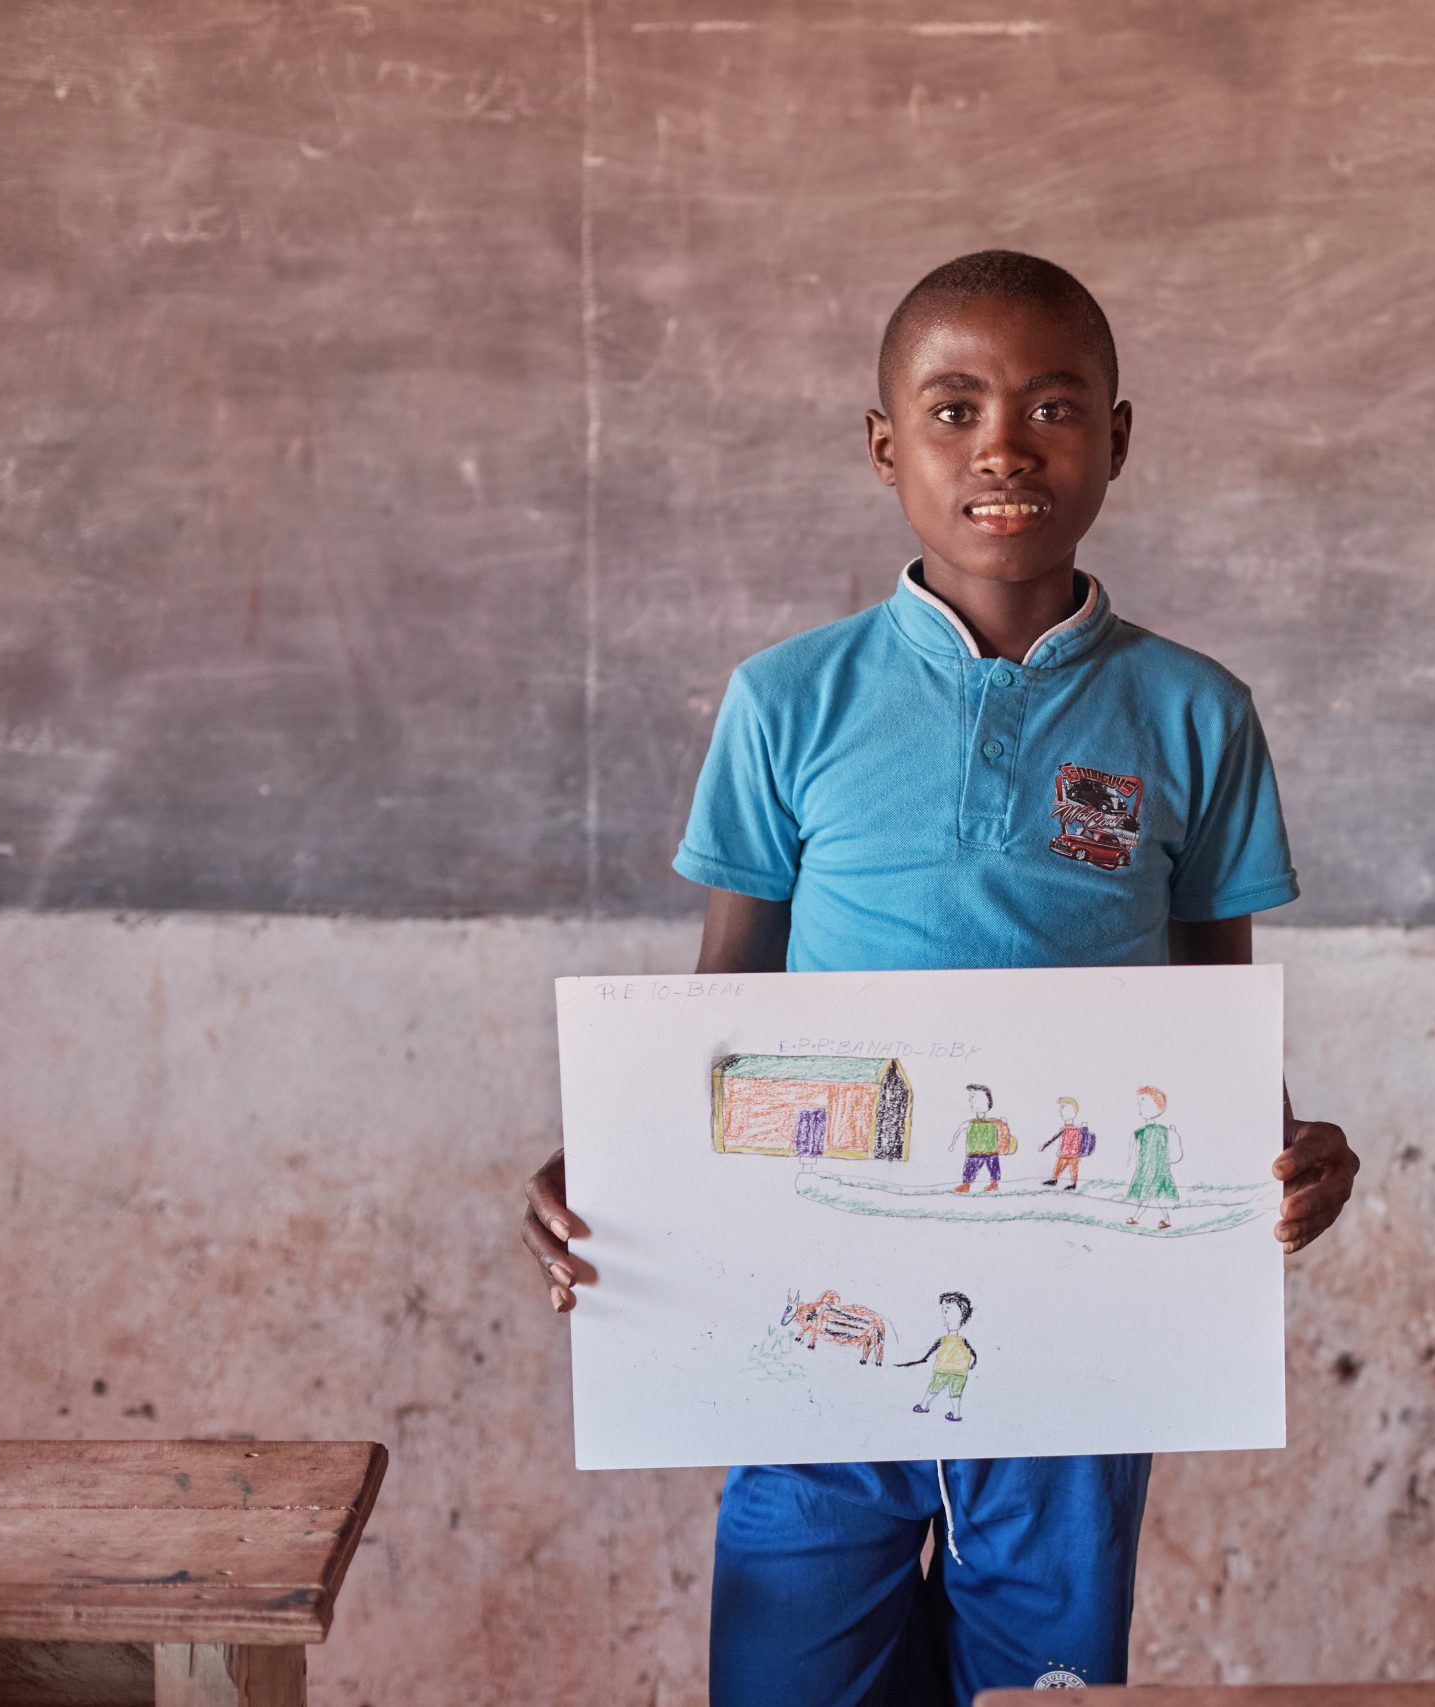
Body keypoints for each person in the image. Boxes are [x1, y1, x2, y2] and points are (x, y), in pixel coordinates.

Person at [517, 250, 1362, 1706]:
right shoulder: (789, 698)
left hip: (1077, 1344)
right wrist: (619, 1154)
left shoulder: (1195, 713)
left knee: (1041, 1692)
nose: (1005, 446)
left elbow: (1214, 1015)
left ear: (1119, 438)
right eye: (956, 407)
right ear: (884, 443)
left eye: (1053, 406)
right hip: (811, 1329)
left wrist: (1285, 1158)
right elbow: (724, 1006)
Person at [898, 1291, 979, 1421]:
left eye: (947, 1310)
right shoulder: (947, 1340)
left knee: (940, 1389)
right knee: (950, 1392)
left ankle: (928, 1407)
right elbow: (930, 1352)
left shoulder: (951, 1340)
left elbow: (971, 1352)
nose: (945, 1315)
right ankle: (950, 1413)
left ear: (962, 1314)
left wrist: (974, 1361)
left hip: (945, 1369)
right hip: (957, 1371)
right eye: (944, 1311)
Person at [1124, 1086, 1183, 1230]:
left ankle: (1137, 1218)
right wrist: (1130, 1158)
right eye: (1140, 1101)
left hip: (1157, 1169)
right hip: (1146, 1169)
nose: (1139, 1104)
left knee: (1150, 1195)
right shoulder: (1140, 1132)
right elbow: (1132, 1144)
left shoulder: (1164, 1131)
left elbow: (1176, 1152)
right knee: (1155, 1196)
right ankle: (1165, 1219)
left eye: (1143, 1100)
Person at [947, 1083, 1014, 1193]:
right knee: (970, 1167)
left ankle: (994, 1183)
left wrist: (1004, 1137)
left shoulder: (994, 1122)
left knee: (993, 1167)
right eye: (970, 1097)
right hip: (974, 1150)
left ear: (985, 1101)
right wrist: (952, 1144)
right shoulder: (970, 1122)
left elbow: (1004, 1131)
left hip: (990, 1150)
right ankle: (966, 1185)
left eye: (972, 1097)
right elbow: (960, 1129)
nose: (969, 1100)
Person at [1044, 1095, 1090, 1190]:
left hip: (1073, 1154)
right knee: (1059, 1166)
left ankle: (1073, 1184)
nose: (1060, 1111)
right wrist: (1045, 1145)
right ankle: (1054, 1179)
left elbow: (1085, 1138)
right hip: (1064, 1153)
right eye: (1061, 1108)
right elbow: (1054, 1137)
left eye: (1063, 1107)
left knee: (1073, 1169)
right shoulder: (1065, 1128)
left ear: (1073, 1111)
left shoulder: (1078, 1129)